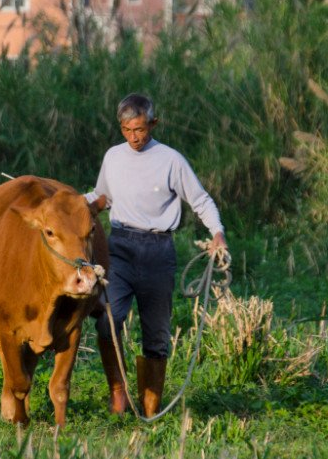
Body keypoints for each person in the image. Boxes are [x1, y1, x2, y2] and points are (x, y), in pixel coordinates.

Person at [86, 93, 228, 417]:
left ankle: (151, 406)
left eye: (140, 129)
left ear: (153, 123)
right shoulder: (113, 157)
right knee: (108, 323)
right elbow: (101, 197)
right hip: (119, 248)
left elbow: (201, 200)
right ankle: (118, 394)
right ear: (120, 127)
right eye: (127, 130)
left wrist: (217, 233)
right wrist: (67, 201)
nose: (134, 137)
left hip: (157, 251)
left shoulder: (171, 160)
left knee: (157, 334)